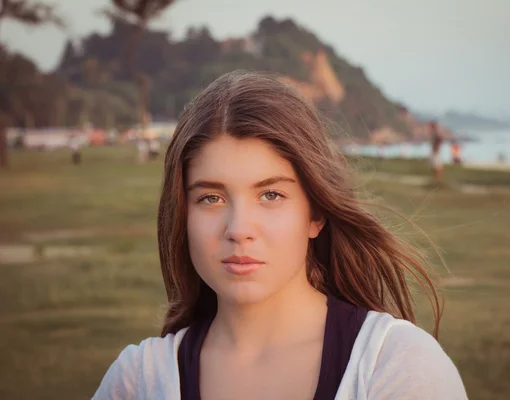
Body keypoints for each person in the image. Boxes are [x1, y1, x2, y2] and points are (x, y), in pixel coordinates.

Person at [93, 71, 467, 400]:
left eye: (270, 195)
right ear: (182, 215)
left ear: (315, 213)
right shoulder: (139, 381)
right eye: (211, 197)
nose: (238, 229)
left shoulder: (396, 367)